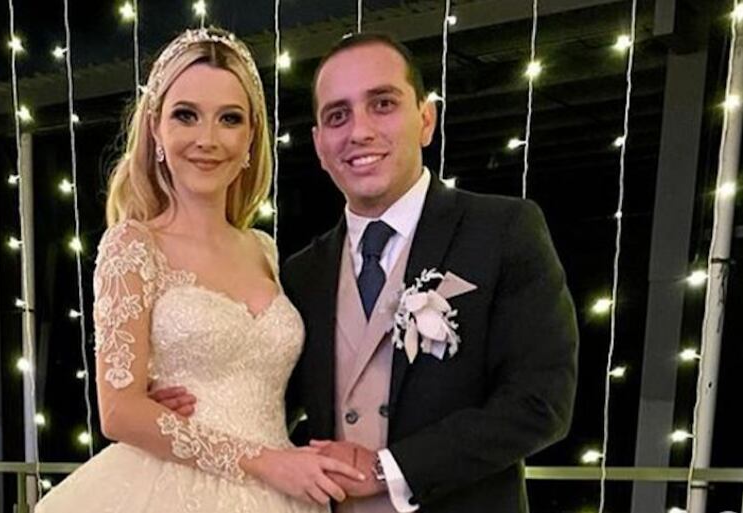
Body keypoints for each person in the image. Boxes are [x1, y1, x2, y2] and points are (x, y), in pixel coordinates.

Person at [158, 33, 578, 513]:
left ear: (425, 119)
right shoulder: (301, 271)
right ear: (319, 145)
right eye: (337, 116)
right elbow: (266, 399)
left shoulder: (503, 230)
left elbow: (541, 404)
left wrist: (388, 469)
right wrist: (186, 400)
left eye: (382, 104)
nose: (358, 131)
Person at [35, 28, 366, 513]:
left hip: (283, 491)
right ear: (156, 128)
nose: (207, 140)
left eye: (229, 119)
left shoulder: (263, 249)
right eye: (185, 115)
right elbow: (118, 412)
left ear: (251, 136)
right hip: (175, 489)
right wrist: (263, 462)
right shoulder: (132, 244)